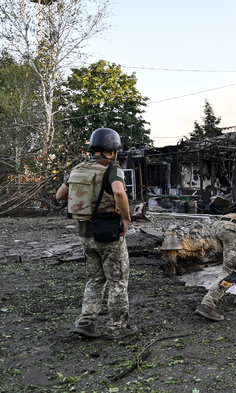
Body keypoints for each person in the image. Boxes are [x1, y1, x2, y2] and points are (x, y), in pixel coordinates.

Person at [55, 128, 136, 340]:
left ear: (93, 148)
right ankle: (118, 328)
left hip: (85, 234)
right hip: (108, 233)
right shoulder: (112, 168)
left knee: (95, 280)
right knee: (118, 281)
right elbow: (119, 192)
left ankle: (85, 323)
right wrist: (126, 218)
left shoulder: (77, 169)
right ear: (113, 150)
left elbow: (60, 195)